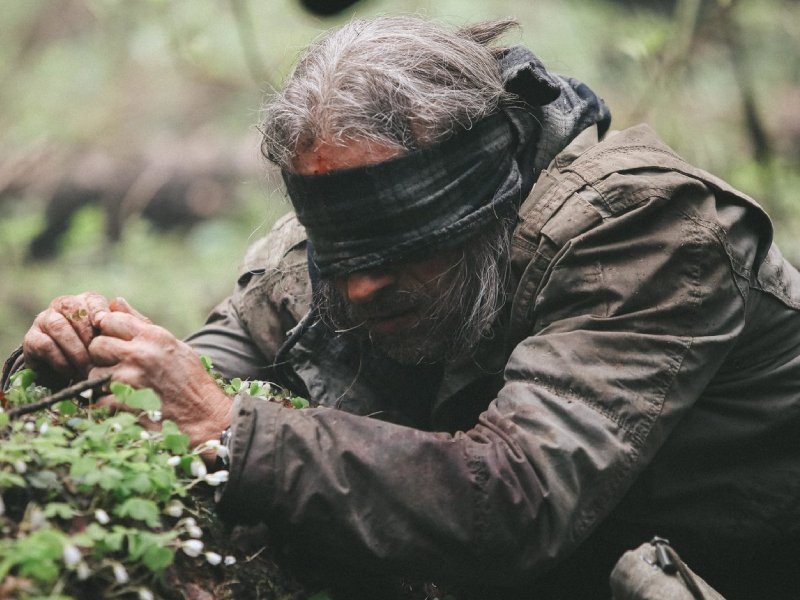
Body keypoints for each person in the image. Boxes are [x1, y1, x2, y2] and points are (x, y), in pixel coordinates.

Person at [6, 16, 800, 599]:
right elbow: (212, 371)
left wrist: (229, 432)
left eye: (396, 257)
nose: (357, 290)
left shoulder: (643, 235)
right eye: (341, 260)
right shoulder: (325, 251)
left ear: (488, 206)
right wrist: (94, 365)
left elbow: (517, 498)